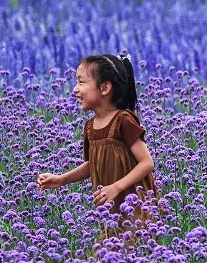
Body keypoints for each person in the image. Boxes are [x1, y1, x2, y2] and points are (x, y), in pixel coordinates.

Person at [37, 53, 159, 250]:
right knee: (108, 260)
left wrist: (116, 187)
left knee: (134, 256)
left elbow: (147, 163)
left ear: (105, 88)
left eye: (81, 82)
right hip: (110, 210)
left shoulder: (124, 120)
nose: (75, 90)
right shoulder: (90, 127)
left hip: (137, 209)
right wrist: (61, 179)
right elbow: (93, 164)